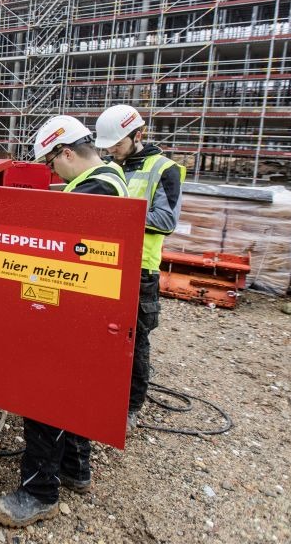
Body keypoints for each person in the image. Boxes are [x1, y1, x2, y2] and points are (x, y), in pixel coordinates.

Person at [0, 115, 128, 529]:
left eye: (52, 163)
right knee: (72, 389)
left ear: (67, 152)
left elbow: (58, 250)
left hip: (75, 304)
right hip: (91, 302)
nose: (51, 172)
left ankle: (39, 493)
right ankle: (75, 468)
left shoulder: (94, 188)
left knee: (44, 393)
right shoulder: (110, 174)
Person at [94, 104, 185, 430]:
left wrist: (119, 217)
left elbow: (165, 219)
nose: (111, 150)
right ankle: (102, 393)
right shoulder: (108, 165)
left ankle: (131, 407)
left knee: (136, 340)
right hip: (104, 261)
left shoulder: (164, 169)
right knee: (102, 335)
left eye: (117, 144)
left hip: (140, 269)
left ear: (138, 135)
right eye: (107, 146)